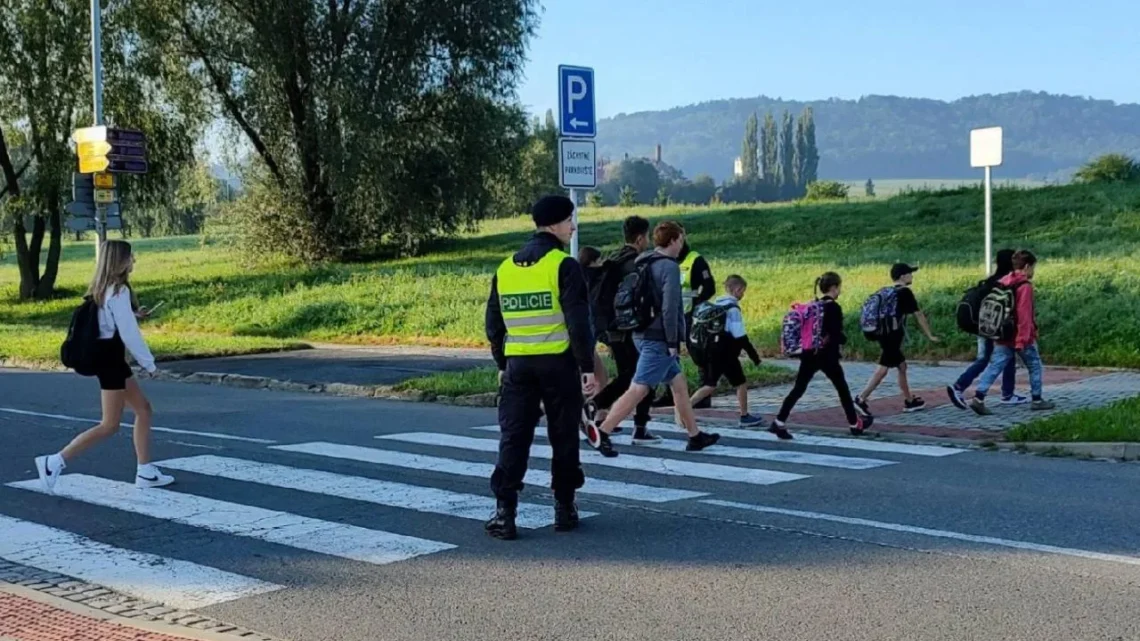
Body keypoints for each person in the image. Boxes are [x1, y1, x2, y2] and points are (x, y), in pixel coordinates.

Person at [484, 195, 597, 540]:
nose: (573, 226)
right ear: (554, 225)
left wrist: (502, 362)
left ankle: (505, 513)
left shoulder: (505, 269)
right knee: (563, 436)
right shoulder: (563, 266)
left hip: (519, 366)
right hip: (558, 364)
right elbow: (579, 323)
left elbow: (493, 324)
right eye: (569, 221)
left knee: (514, 436)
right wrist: (587, 366)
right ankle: (564, 508)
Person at [34, 240, 174, 494]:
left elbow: (111, 321)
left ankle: (145, 470)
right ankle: (53, 462)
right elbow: (129, 335)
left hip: (111, 360)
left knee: (143, 409)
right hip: (110, 363)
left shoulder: (103, 290)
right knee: (109, 424)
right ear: (119, 261)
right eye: (130, 256)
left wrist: (134, 314)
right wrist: (150, 364)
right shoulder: (118, 292)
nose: (134, 261)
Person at [590, 221, 721, 457]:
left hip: (640, 332)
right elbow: (670, 307)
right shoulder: (669, 267)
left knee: (679, 385)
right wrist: (673, 342)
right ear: (673, 241)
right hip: (659, 337)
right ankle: (604, 433)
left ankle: (694, 436)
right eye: (681, 239)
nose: (683, 243)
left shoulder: (644, 261)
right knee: (638, 388)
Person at [772, 272, 873, 438]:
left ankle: (779, 421)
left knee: (798, 388)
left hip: (809, 353)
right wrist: (843, 339)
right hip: (827, 355)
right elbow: (835, 332)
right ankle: (855, 423)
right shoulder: (833, 307)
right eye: (839, 287)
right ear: (833, 288)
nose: (840, 291)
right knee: (842, 389)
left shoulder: (813, 305)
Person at [589, 216, 657, 440]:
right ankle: (633, 423)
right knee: (640, 376)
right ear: (640, 238)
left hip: (611, 328)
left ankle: (626, 421)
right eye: (646, 237)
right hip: (630, 329)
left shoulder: (613, 259)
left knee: (632, 375)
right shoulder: (636, 264)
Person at [969, 250, 1056, 415]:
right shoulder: (1024, 286)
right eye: (1033, 267)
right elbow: (1024, 315)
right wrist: (1022, 340)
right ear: (1027, 266)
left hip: (1002, 333)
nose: (1033, 272)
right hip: (1020, 335)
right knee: (1035, 365)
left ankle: (978, 397)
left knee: (995, 366)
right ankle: (1037, 400)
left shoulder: (1004, 281)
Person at [854, 263, 940, 416]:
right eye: (909, 273)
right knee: (883, 369)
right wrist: (929, 335)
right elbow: (918, 315)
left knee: (901, 366)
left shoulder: (886, 291)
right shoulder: (904, 292)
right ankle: (861, 398)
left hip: (883, 334)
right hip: (892, 336)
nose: (912, 276)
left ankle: (909, 401)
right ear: (902, 276)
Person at [946, 249, 1025, 409]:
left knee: (993, 357)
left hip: (981, 325)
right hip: (993, 327)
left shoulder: (990, 281)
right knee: (997, 357)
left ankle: (1006, 393)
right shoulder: (1005, 282)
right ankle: (960, 387)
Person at [688, 275, 765, 428]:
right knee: (738, 383)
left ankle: (684, 408)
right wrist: (754, 357)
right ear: (738, 289)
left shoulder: (714, 305)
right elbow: (741, 336)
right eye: (743, 291)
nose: (743, 294)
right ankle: (744, 416)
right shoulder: (733, 309)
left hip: (713, 352)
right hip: (726, 354)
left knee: (713, 384)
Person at [653, 225, 716, 409]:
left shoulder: (695, 260)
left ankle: (704, 394)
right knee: (670, 353)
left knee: (698, 352)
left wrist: (698, 306)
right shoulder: (663, 260)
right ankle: (669, 393)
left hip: (691, 315)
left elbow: (709, 287)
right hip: (670, 315)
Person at [578, 245, 609, 392]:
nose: (601, 263)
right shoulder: (595, 278)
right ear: (591, 262)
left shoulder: (576, 277)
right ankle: (599, 408)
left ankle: (599, 407)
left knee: (600, 375)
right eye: (599, 260)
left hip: (583, 334)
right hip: (588, 333)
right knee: (600, 376)